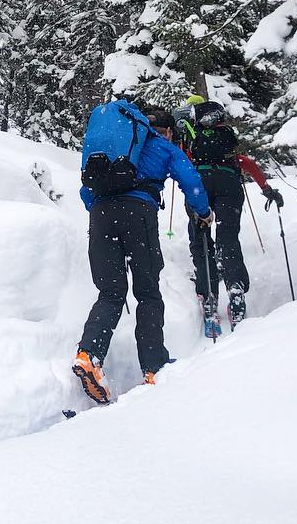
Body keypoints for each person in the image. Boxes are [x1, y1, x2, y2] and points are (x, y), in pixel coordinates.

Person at [73, 100, 212, 404]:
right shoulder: (161, 146)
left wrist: (104, 211)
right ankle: (154, 367)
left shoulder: (112, 152)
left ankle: (88, 354)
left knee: (110, 293)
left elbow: (85, 191)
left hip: (100, 215)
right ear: (163, 130)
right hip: (138, 214)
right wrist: (203, 212)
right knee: (147, 292)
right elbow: (191, 179)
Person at [172, 97, 284, 334]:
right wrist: (266, 189)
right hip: (229, 184)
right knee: (228, 238)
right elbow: (248, 163)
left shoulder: (194, 139)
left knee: (201, 240)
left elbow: (183, 163)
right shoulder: (227, 140)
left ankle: (209, 295)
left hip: (199, 185)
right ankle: (235, 289)